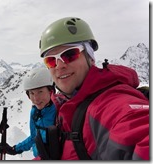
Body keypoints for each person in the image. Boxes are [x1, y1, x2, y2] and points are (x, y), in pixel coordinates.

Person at [37, 17, 149, 160]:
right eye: (51, 60)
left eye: (70, 55)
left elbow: (138, 130)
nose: (59, 66)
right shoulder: (67, 105)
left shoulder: (110, 105)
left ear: (90, 58)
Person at [0, 67, 57, 158]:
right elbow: (34, 137)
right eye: (32, 93)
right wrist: (14, 149)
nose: (36, 99)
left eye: (40, 92)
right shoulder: (35, 112)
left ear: (50, 91)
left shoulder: (59, 111)